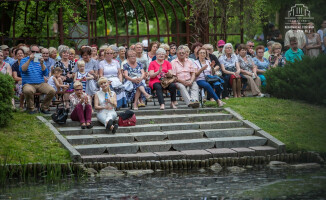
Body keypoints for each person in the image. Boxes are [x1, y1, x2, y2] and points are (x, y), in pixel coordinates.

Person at [19, 45, 55, 114]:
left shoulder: (40, 60)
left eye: (37, 52)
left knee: (52, 90)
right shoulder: (24, 60)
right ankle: (31, 109)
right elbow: (23, 70)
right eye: (33, 51)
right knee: (28, 90)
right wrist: (29, 59)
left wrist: (42, 63)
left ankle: (44, 107)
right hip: (28, 83)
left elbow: (45, 73)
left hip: (40, 83)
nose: (35, 53)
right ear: (29, 52)